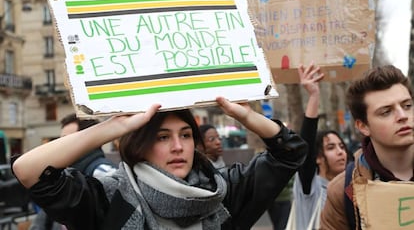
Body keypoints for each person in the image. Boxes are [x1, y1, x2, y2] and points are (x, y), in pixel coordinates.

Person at [12, 97, 308, 229]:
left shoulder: (224, 192)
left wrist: (246, 116)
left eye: (186, 134)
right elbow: (28, 170)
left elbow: (291, 152)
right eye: (163, 137)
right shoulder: (108, 198)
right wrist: (113, 127)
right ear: (140, 145)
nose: (178, 146)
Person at [320, 65, 414, 229]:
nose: (402, 116)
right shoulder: (344, 191)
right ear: (363, 126)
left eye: (407, 106)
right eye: (386, 112)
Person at [285, 63, 350, 230]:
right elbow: (306, 143)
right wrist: (314, 95)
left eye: (341, 146)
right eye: (331, 147)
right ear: (318, 158)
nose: (340, 152)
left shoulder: (351, 187)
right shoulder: (310, 187)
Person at [29, 113, 118, 230]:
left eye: (68, 139)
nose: (61, 145)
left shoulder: (102, 172)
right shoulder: (66, 172)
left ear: (88, 140)